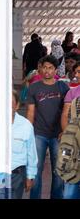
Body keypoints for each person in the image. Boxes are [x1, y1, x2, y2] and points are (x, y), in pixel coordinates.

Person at [26, 55, 70, 199]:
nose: (47, 71)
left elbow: (67, 112)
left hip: (58, 134)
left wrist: (65, 131)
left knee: (58, 171)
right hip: (39, 133)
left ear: (56, 70)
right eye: (45, 67)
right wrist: (28, 133)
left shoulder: (63, 87)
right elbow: (31, 112)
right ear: (40, 68)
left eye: (50, 68)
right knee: (35, 170)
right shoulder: (34, 87)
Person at [11, 89, 38, 199]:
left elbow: (31, 153)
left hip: (17, 175)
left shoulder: (26, 126)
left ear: (17, 106)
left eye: (10, 103)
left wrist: (30, 176)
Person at [60, 61, 80, 199]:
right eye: (76, 72)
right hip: (73, 145)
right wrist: (67, 135)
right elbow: (64, 115)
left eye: (79, 72)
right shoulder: (72, 93)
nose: (77, 75)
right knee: (69, 192)